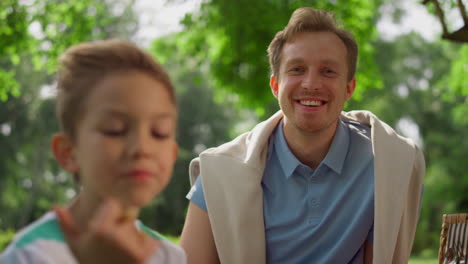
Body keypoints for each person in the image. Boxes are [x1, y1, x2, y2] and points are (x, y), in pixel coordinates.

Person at [180, 7, 425, 264]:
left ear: (349, 88)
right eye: (297, 69)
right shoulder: (221, 172)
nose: (311, 84)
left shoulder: (389, 164)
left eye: (328, 71)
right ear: (275, 85)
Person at [0, 40, 186, 264]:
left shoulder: (169, 255)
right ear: (68, 152)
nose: (142, 148)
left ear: (173, 154)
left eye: (159, 133)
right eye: (114, 130)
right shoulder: (29, 255)